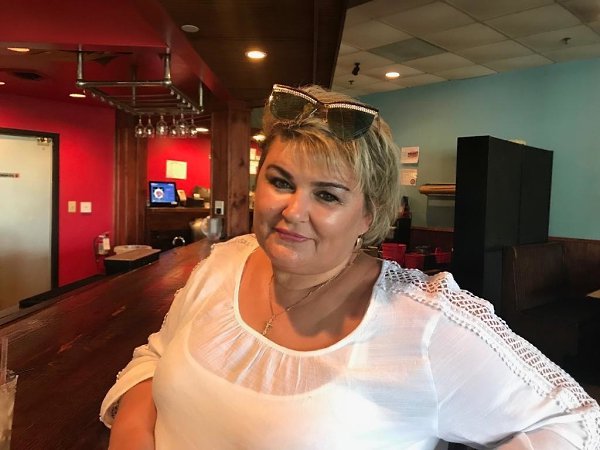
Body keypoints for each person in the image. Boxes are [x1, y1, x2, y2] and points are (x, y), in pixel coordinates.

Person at [101, 84, 600, 450]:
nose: (294, 210)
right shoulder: (224, 262)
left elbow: (575, 424)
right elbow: (156, 355)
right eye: (280, 181)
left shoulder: (422, 323)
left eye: (327, 195)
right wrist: (130, 432)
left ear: (367, 215)